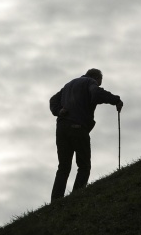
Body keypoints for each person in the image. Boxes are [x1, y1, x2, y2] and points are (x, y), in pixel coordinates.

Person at [49, 68, 123, 202]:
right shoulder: (90, 82)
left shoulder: (68, 85)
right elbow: (96, 94)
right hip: (78, 127)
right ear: (97, 78)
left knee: (63, 167)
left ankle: (56, 200)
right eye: (100, 82)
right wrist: (116, 100)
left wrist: (59, 111)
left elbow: (53, 99)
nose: (99, 84)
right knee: (84, 166)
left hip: (61, 128)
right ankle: (76, 197)